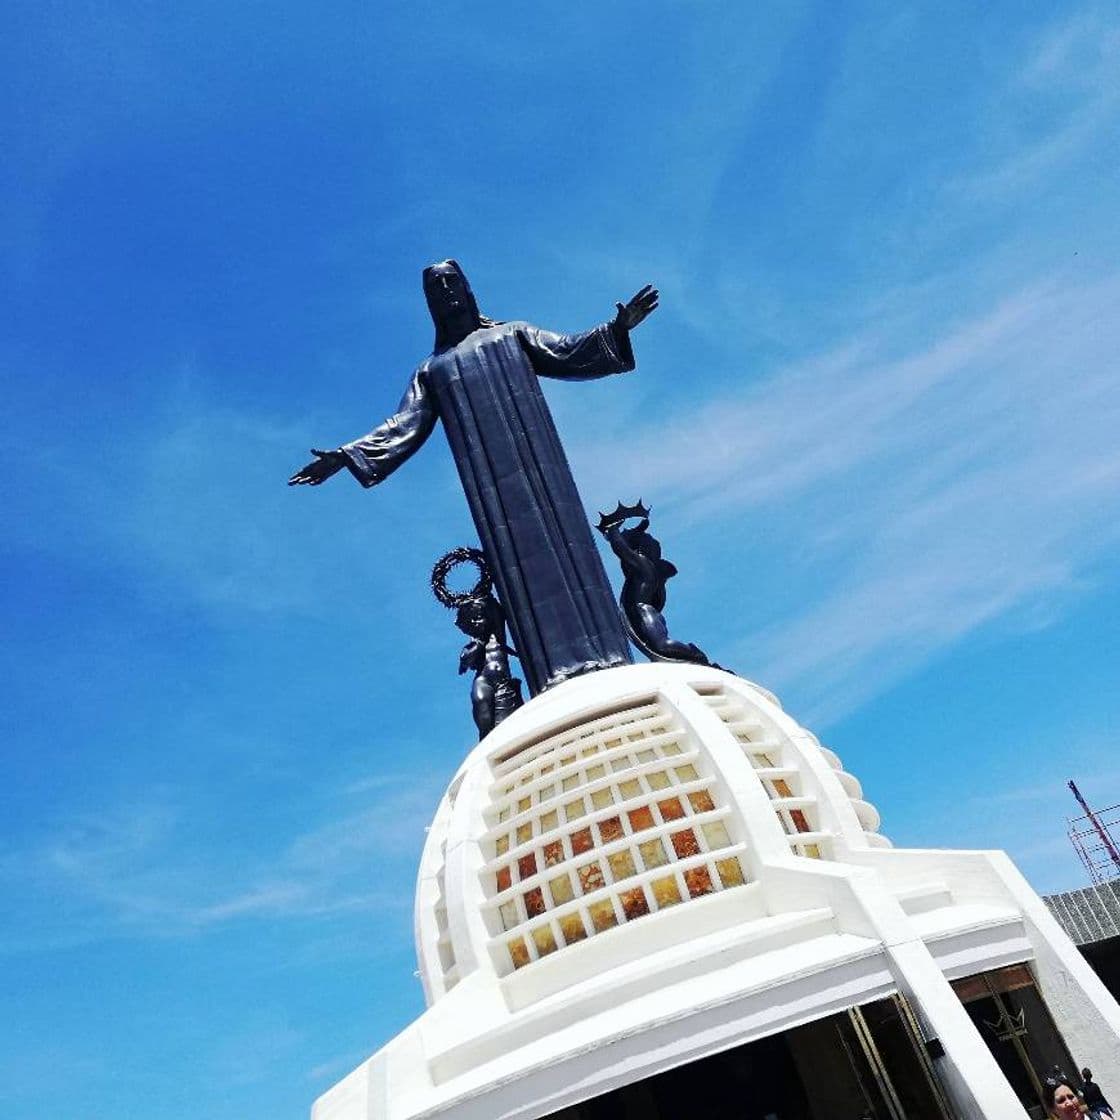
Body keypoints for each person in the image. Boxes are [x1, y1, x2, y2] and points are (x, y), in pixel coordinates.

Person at [289, 260, 659, 696]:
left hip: (545, 476)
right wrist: (346, 456)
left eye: (451, 282)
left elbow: (568, 351)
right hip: (495, 496)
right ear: (430, 304)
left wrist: (617, 329)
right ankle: (554, 672)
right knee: (522, 569)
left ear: (467, 288)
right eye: (436, 288)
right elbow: (404, 424)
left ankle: (606, 655)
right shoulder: (433, 370)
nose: (446, 291)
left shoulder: (513, 334)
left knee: (567, 545)